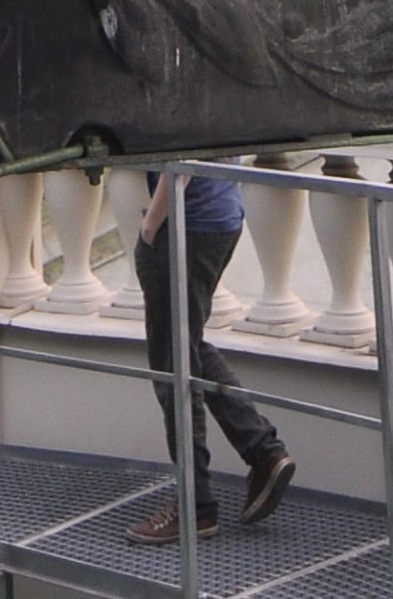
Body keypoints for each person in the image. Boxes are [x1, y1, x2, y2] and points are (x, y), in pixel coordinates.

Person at [125, 166, 296, 542]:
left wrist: (149, 230)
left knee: (175, 367)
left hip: (187, 224)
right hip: (220, 216)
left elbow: (179, 163)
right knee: (188, 347)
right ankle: (263, 452)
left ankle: (195, 507)